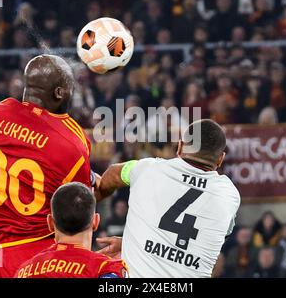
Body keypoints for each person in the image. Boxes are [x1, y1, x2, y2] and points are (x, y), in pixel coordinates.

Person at [0, 54, 94, 278]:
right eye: (71, 88)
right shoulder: (71, 143)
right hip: (39, 259)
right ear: (59, 93)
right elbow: (79, 209)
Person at [96, 119, 241, 277]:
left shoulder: (147, 169)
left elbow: (113, 173)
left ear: (179, 147)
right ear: (220, 159)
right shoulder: (229, 195)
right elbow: (210, 238)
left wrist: (99, 194)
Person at [15, 182, 128, 278]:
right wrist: (131, 251)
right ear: (96, 221)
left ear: (50, 223)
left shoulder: (23, 271)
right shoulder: (106, 269)